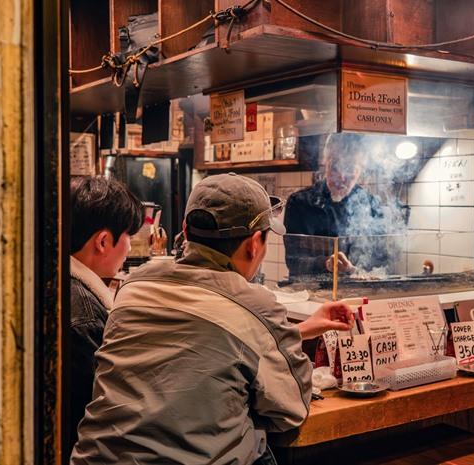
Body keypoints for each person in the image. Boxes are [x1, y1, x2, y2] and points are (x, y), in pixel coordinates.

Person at [71, 173, 353, 465]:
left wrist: (299, 331)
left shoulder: (133, 286)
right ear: (254, 244)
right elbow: (290, 409)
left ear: (185, 230)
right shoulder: (257, 306)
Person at [68, 176, 144, 451]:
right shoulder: (84, 318)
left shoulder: (57, 283)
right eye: (128, 237)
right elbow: (89, 414)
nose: (130, 248)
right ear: (102, 241)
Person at [283, 134, 392, 279]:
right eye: (335, 167)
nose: (341, 177)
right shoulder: (300, 202)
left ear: (361, 170)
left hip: (359, 291)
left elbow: (381, 259)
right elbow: (294, 260)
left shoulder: (372, 206)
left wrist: (355, 270)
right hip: (309, 293)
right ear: (325, 163)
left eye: (349, 169)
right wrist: (327, 263)